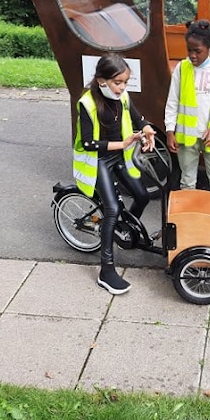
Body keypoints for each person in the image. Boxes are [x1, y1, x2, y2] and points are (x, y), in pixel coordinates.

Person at [73, 53, 156, 295]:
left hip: (119, 156)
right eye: (117, 82)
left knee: (142, 196)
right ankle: (106, 271)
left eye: (125, 82)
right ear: (102, 81)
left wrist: (147, 128)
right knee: (112, 209)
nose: (122, 87)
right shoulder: (87, 103)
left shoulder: (122, 97)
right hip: (97, 160)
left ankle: (121, 231)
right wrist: (122, 144)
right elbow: (87, 143)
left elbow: (136, 116)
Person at [164, 19, 210, 197]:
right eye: (189, 50)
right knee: (187, 182)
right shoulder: (182, 69)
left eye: (197, 51)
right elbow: (172, 101)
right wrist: (170, 130)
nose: (192, 55)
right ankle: (188, 214)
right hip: (186, 137)